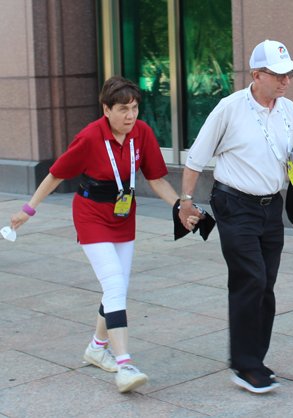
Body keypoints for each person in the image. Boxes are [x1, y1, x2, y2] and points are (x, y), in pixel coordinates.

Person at [10, 76, 200, 392]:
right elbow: (56, 174)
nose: (131, 116)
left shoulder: (142, 133)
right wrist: (27, 211)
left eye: (135, 108)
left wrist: (181, 205)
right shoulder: (88, 137)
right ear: (106, 110)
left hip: (123, 214)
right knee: (113, 280)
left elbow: (155, 180)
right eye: (123, 109)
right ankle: (124, 365)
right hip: (91, 213)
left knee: (118, 287)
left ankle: (97, 347)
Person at [178, 40, 293, 393]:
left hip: (270, 207)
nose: (285, 81)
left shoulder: (289, 110)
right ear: (256, 75)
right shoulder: (229, 108)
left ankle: (254, 359)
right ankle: (245, 365)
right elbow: (195, 159)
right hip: (234, 204)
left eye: (289, 74)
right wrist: (185, 202)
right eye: (278, 75)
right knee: (250, 278)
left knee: (266, 284)